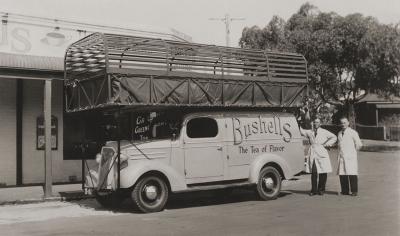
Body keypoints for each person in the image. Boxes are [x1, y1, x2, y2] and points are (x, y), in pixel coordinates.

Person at [301, 118, 337, 196]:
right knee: (314, 172)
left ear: (320, 123)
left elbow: (334, 137)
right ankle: (313, 190)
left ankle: (321, 189)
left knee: (323, 172)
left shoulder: (324, 131)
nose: (315, 123)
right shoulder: (310, 132)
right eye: (314, 122)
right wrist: (299, 119)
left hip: (321, 151)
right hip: (313, 152)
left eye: (317, 122)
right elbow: (301, 131)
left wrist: (327, 144)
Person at [337, 117, 363, 196]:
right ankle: (345, 191)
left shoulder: (353, 132)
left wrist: (353, 152)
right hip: (341, 156)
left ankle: (354, 191)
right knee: (342, 173)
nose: (343, 124)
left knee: (352, 173)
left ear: (348, 123)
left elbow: (359, 144)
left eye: (344, 122)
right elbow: (339, 145)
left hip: (350, 156)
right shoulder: (339, 133)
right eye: (341, 123)